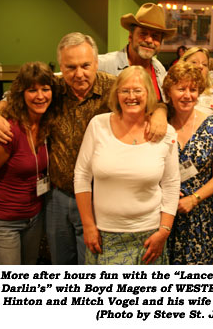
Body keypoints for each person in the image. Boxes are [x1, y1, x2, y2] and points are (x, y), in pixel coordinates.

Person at [0, 32, 168, 265]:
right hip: (57, 195)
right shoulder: (53, 89)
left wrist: (161, 112)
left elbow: (147, 98)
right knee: (60, 263)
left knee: (91, 262)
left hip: (100, 195)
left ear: (96, 62)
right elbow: (15, 94)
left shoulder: (113, 88)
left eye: (85, 65)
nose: (79, 73)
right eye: (70, 67)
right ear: (61, 67)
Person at [74, 66, 180, 265]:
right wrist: (88, 225)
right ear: (116, 94)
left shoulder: (166, 133)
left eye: (138, 90)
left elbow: (172, 185)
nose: (131, 96)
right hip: (103, 236)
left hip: (149, 237)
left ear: (148, 94)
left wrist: (164, 232)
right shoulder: (98, 125)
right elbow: (81, 176)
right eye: (125, 90)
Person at [0, 62, 57, 264]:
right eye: (32, 90)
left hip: (34, 218)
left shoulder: (46, 124)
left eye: (45, 89)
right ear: (21, 93)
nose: (40, 96)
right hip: (3, 222)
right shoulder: (7, 130)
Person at [163, 62, 213, 265]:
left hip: (198, 215)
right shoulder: (159, 124)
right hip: (163, 212)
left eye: (193, 89)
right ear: (169, 92)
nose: (187, 95)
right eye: (181, 89)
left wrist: (194, 198)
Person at [98, 3, 176, 101]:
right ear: (130, 36)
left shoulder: (159, 69)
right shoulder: (103, 65)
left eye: (155, 36)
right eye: (143, 33)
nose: (149, 40)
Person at [181, 47, 213, 116]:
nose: (200, 66)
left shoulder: (212, 94)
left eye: (204, 64)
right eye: (194, 62)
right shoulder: (175, 92)